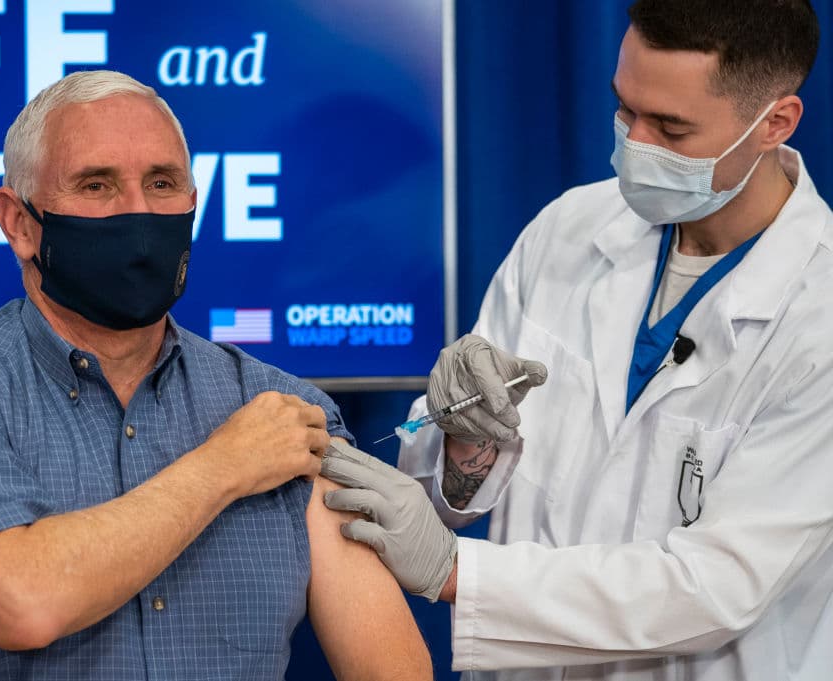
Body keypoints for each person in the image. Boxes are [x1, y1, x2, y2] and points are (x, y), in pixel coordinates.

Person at [0, 69, 432, 681]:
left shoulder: (283, 410)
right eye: (96, 185)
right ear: (20, 223)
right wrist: (225, 466)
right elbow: (19, 601)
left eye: (162, 182)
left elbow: (392, 669)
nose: (137, 214)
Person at [321, 1, 833, 679]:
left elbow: (716, 585)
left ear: (776, 122)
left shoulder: (817, 316)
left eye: (672, 129)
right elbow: (448, 485)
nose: (636, 144)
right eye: (626, 110)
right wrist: (466, 451)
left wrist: (456, 573)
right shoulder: (570, 228)